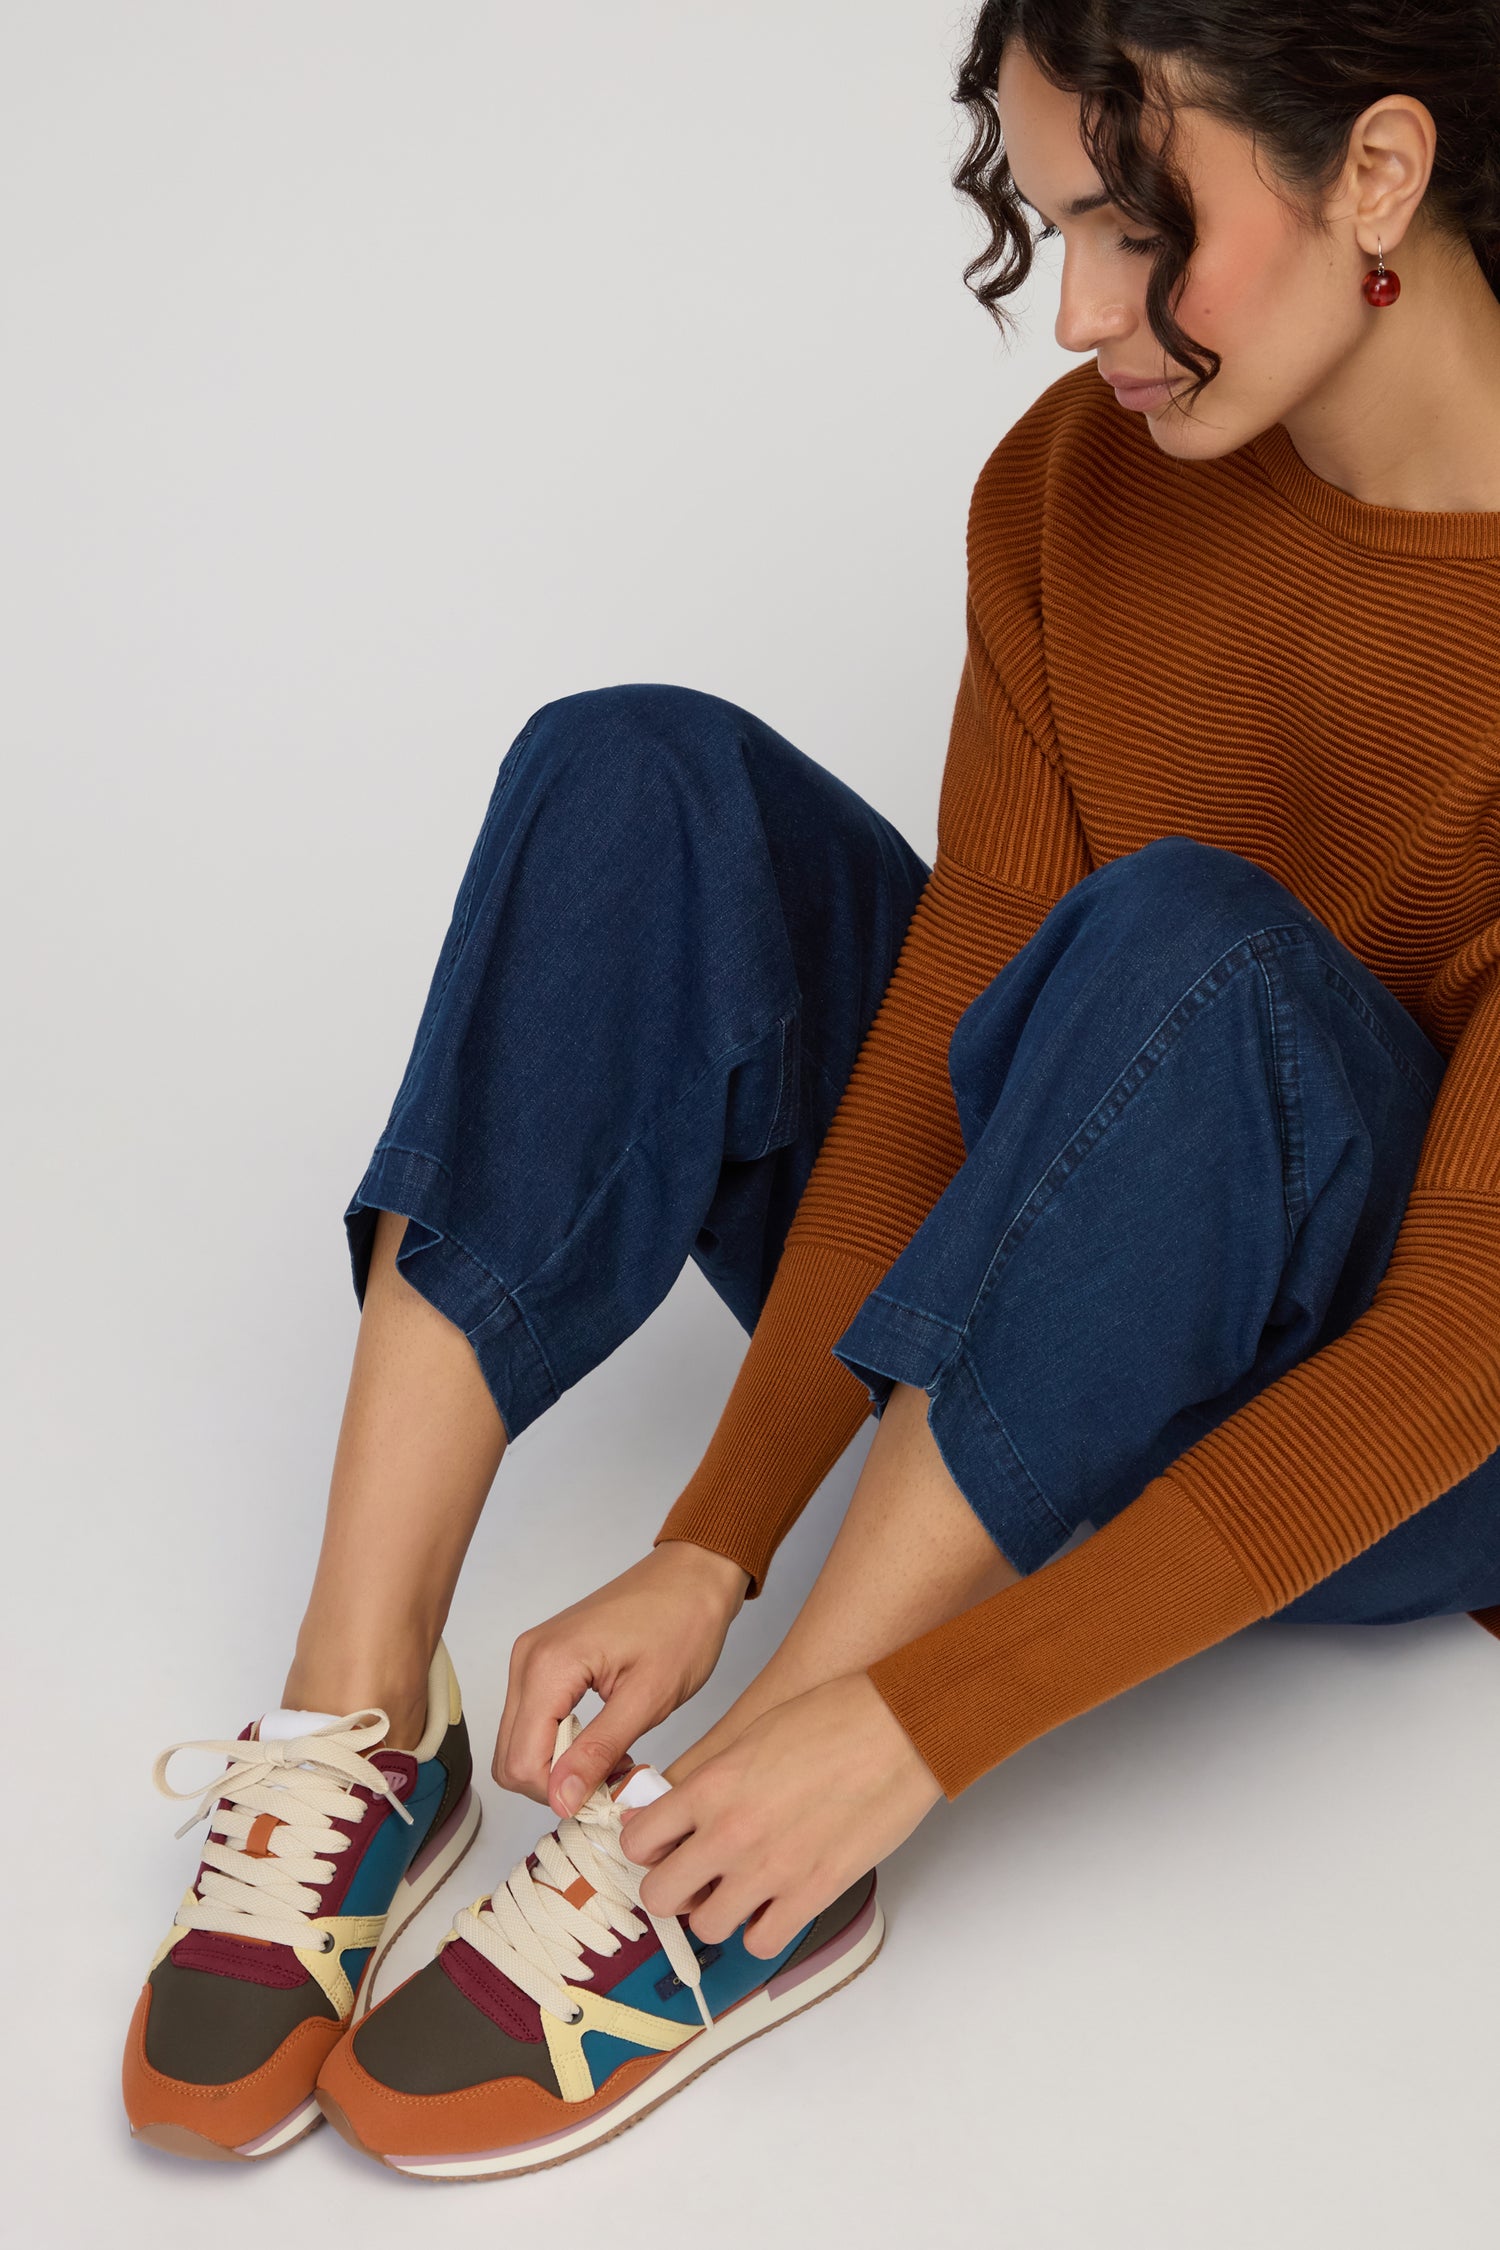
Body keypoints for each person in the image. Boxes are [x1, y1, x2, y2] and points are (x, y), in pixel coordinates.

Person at [124, 0, 1500, 2179]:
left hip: (1406, 1435)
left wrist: (909, 1727)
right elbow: (967, 998)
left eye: (1146, 231)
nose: (1084, 311)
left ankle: (763, 1830)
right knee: (637, 769)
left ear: (1380, 177)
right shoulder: (1079, 488)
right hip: (1055, 1244)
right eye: (1055, 224)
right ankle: (366, 1701)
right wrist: (706, 1536)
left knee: (1186, 945)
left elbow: (1458, 1353)